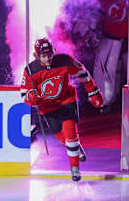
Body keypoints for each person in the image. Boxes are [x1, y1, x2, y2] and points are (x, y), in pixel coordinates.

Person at [21, 37, 104, 182]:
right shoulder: (30, 70)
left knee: (71, 134)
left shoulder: (64, 61)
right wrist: (31, 97)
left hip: (66, 101)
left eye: (50, 55)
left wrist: (93, 91)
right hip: (47, 107)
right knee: (62, 138)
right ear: (37, 55)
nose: (48, 59)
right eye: (44, 56)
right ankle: (76, 148)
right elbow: (24, 93)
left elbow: (82, 72)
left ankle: (75, 171)